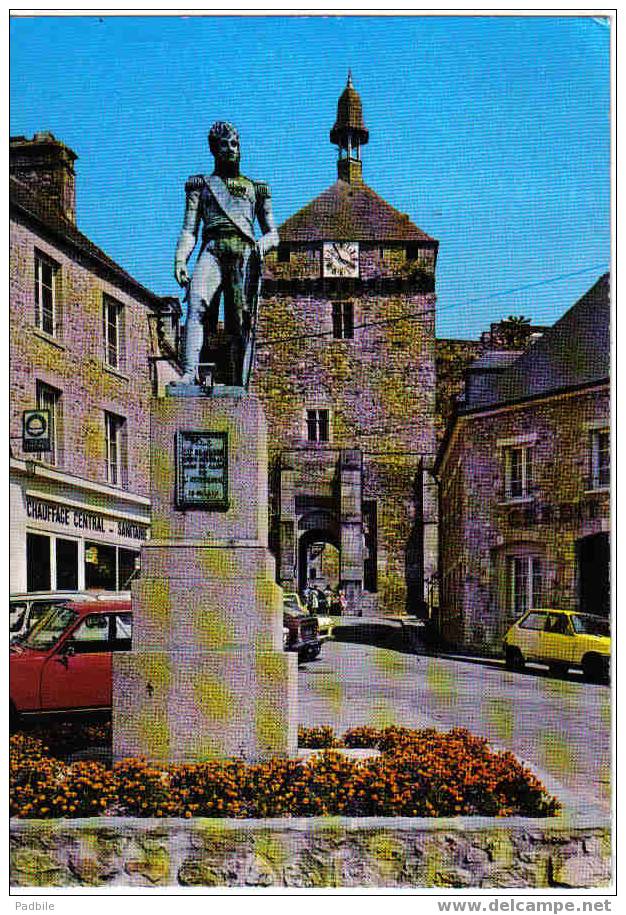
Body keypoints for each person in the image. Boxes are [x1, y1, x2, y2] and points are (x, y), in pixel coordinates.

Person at [174, 121, 279, 386]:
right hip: (212, 249)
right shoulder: (200, 186)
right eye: (225, 145)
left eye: (235, 144)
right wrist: (180, 258)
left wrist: (261, 245)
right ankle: (189, 372)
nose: (232, 150)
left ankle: (235, 381)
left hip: (243, 254)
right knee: (196, 305)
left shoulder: (256, 189)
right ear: (214, 150)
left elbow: (273, 234)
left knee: (239, 322)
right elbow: (189, 230)